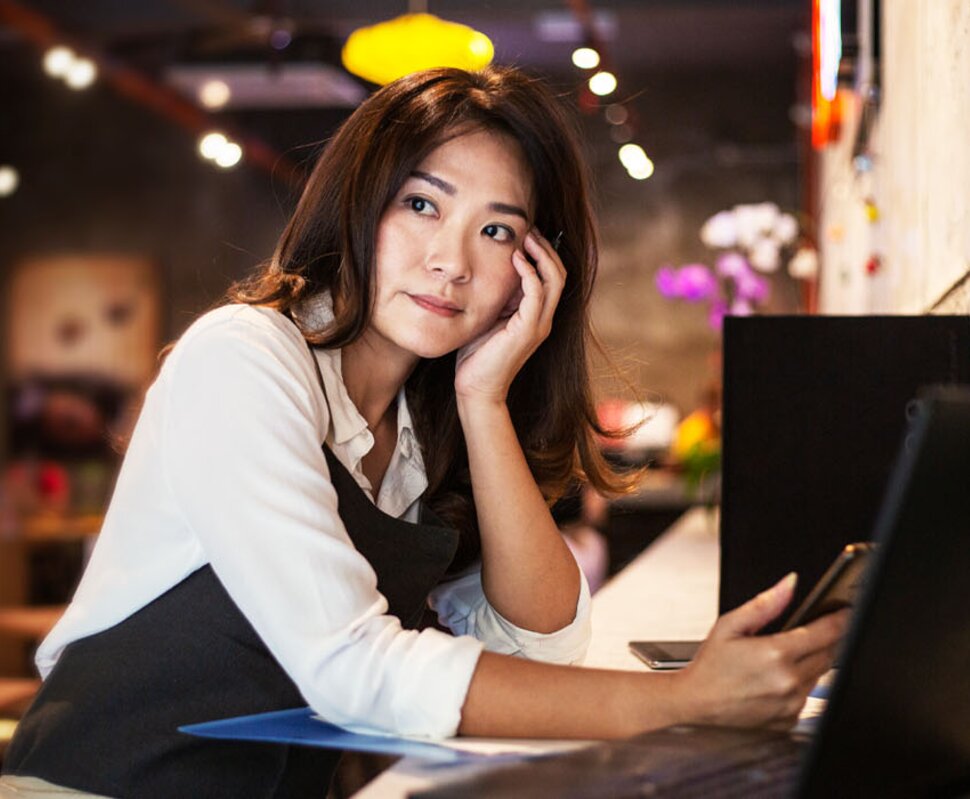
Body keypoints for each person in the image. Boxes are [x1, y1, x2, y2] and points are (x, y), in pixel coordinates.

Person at [1, 65, 846, 798]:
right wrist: (679, 701)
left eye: (496, 230)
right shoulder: (244, 360)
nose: (453, 260)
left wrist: (484, 402)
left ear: (532, 268)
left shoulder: (417, 430)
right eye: (420, 204)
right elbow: (353, 668)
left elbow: (542, 646)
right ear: (360, 207)